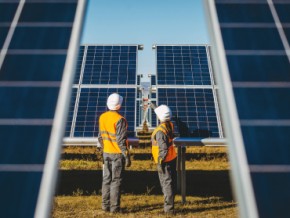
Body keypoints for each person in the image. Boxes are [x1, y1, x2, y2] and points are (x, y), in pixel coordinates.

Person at [98, 93, 131, 213]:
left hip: (106, 152)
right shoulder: (120, 120)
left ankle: (105, 206)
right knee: (116, 181)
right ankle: (115, 208)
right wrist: (127, 156)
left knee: (106, 179)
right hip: (117, 154)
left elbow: (100, 137)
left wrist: (104, 148)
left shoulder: (102, 117)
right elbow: (121, 141)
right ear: (119, 105)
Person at [151, 104, 177, 214]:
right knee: (169, 183)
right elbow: (162, 114)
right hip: (171, 158)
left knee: (166, 184)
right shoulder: (169, 125)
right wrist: (154, 107)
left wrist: (161, 160)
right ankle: (169, 206)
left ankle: (169, 210)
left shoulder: (160, 131)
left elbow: (163, 148)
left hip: (164, 161)